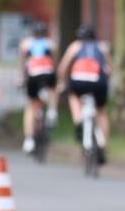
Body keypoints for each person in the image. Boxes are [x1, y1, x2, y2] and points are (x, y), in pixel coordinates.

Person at [56, 25, 110, 164]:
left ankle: (79, 121)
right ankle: (103, 145)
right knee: (101, 112)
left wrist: (61, 82)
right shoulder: (102, 47)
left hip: (78, 81)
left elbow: (62, 67)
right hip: (98, 82)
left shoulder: (75, 46)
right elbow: (109, 69)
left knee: (73, 97)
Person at [18, 21, 58, 154]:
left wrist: (21, 78)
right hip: (48, 73)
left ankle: (29, 140)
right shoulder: (51, 43)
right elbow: (55, 62)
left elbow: (22, 63)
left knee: (30, 107)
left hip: (33, 75)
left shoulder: (26, 43)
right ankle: (52, 110)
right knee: (53, 88)